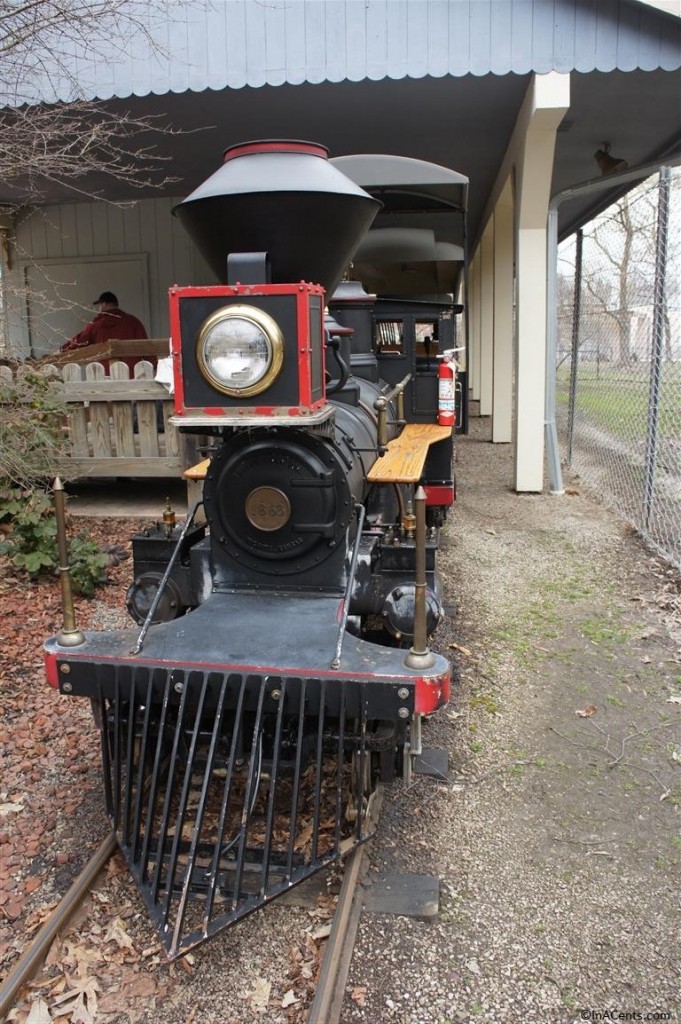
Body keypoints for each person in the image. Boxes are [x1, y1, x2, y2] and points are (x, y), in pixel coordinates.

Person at [60, 292, 148, 353]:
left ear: (104, 304)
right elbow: (145, 346)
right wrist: (154, 366)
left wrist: (63, 349)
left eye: (100, 305)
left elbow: (80, 340)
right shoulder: (133, 322)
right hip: (131, 373)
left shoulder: (97, 325)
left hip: (105, 374)